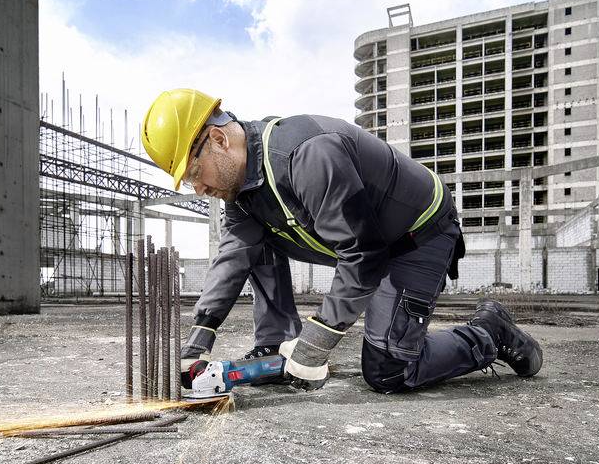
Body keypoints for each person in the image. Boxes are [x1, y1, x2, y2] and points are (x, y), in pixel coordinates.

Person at [141, 88, 543, 393]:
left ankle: (488, 332)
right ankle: (275, 343)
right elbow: (233, 256)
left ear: (218, 139)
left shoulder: (307, 155)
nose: (197, 188)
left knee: (390, 370)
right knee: (251, 242)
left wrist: (316, 344)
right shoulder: (241, 194)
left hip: (418, 233)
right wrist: (200, 336)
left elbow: (363, 255)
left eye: (194, 172)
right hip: (368, 243)